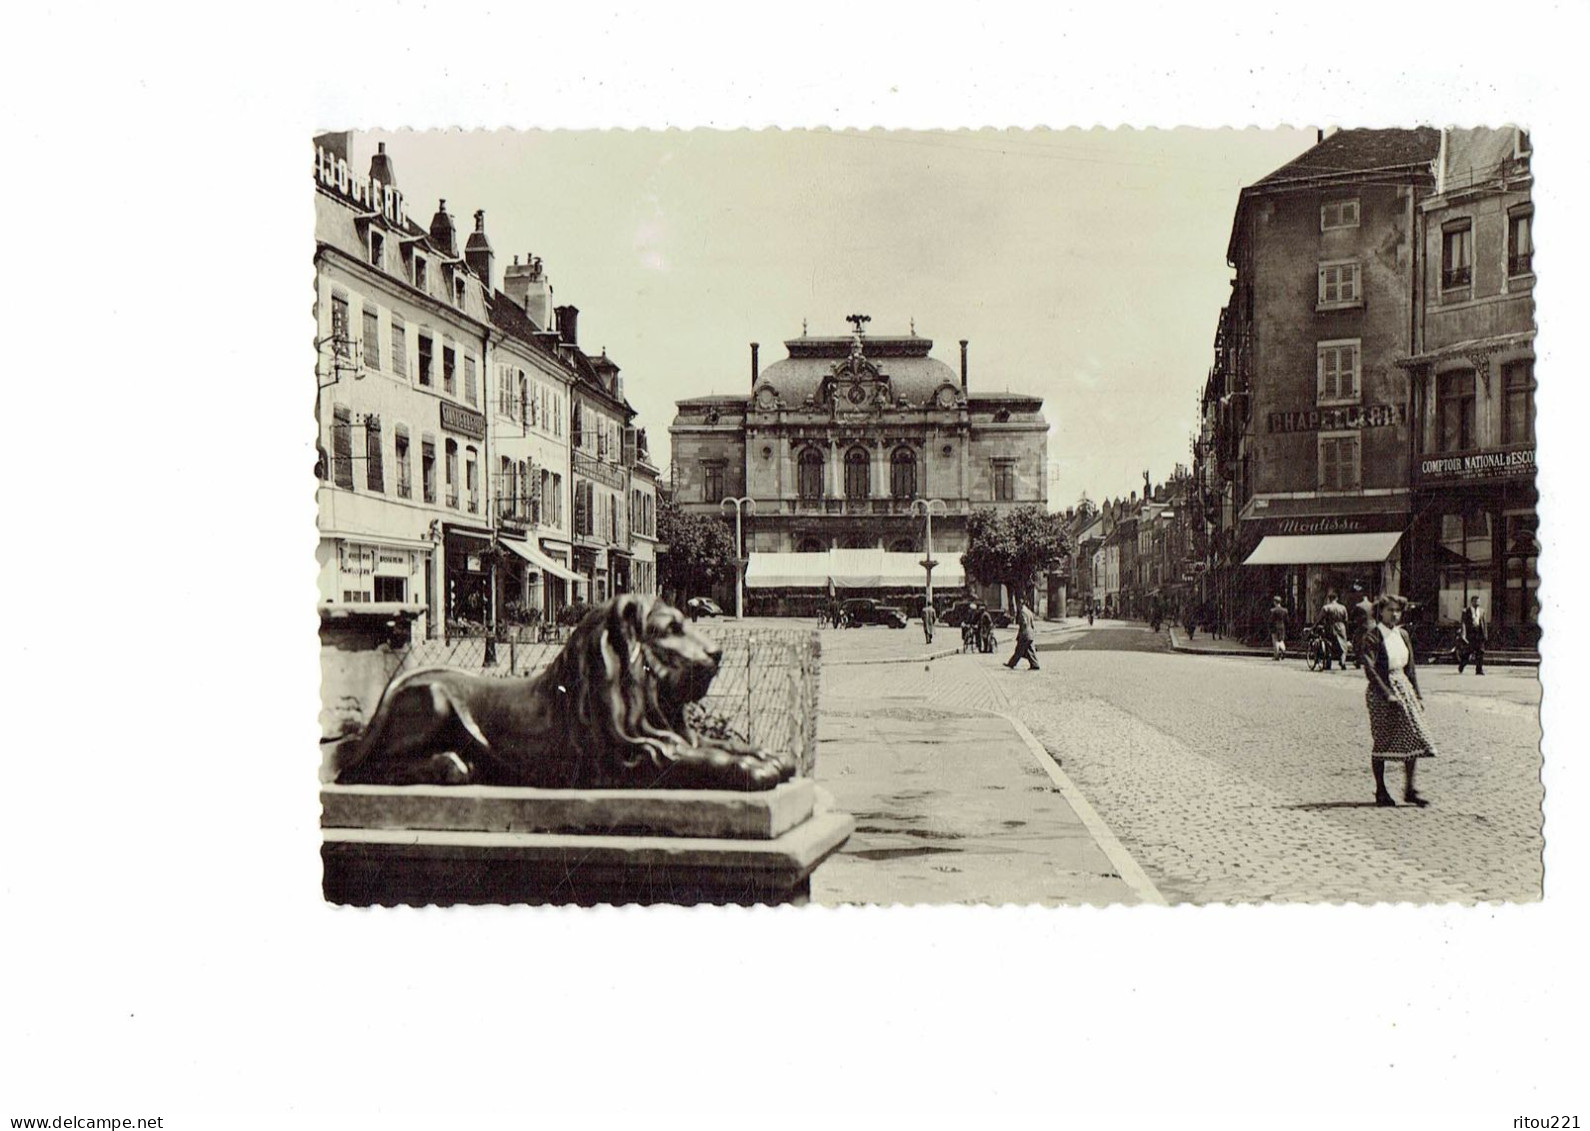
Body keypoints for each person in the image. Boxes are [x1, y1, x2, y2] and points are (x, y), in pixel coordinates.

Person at [1359, 594, 1438, 807]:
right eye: (1390, 610)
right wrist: (1387, 694)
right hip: (1382, 692)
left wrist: (1418, 695)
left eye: (1398, 610)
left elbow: (1410, 668)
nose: (1394, 614)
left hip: (1404, 688)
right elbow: (1370, 669)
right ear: (1380, 611)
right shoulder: (1373, 636)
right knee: (1383, 739)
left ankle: (1409, 788)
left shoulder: (1402, 634)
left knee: (1414, 735)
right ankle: (1381, 790)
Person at [1004, 599, 1041, 670]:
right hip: (1030, 634)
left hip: (1025, 634)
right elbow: (1032, 624)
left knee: (1019, 650)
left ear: (1021, 604)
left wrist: (1021, 633)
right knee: (1030, 651)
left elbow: (1024, 623)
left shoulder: (1023, 612)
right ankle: (1035, 664)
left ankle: (1011, 664)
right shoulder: (1029, 612)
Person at [1318, 590, 1349, 671]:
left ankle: (1328, 663)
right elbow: (1346, 620)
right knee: (1343, 646)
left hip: (1330, 627)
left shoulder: (1326, 607)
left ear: (1329, 599)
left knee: (1329, 645)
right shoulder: (1343, 607)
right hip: (1341, 627)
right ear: (1337, 598)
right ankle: (1342, 661)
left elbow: (1319, 619)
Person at [1457, 594, 1488, 675]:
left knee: (1481, 652)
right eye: (1476, 600)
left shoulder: (1482, 611)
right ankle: (1462, 665)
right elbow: (1463, 623)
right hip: (1470, 634)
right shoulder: (1466, 611)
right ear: (1472, 602)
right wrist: (1463, 634)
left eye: (1479, 600)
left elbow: (1484, 624)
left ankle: (1479, 670)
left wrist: (1485, 635)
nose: (1478, 602)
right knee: (1468, 652)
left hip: (1479, 634)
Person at [1268, 595, 1288, 661]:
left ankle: (1276, 656)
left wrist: (1270, 626)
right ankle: (1283, 650)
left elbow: (1271, 620)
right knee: (1281, 640)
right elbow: (1287, 619)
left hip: (1275, 627)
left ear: (1275, 602)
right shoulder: (1285, 611)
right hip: (1282, 626)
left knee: (1275, 641)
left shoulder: (1273, 611)